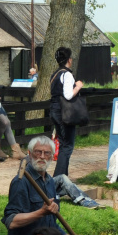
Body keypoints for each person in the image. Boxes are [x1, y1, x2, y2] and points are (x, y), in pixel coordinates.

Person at [3, 137, 80, 235]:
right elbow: (11, 221)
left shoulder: (50, 181)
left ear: (52, 156)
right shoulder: (21, 182)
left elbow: (49, 222)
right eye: (38, 152)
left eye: (47, 153)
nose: (42, 157)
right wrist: (40, 212)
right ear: (29, 153)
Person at [49, 47, 83, 177]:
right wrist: (78, 87)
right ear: (69, 60)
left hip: (54, 110)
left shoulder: (55, 74)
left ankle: (62, 177)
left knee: (64, 144)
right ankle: (59, 178)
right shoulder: (67, 74)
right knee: (67, 146)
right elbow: (68, 95)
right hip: (64, 112)